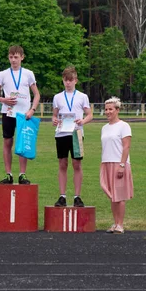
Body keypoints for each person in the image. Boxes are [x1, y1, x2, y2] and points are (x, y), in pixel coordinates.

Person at [0, 45, 41, 185]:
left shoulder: (28, 74)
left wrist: (32, 110)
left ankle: (22, 175)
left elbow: (37, 94)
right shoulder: (3, 74)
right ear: (8, 58)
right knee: (8, 142)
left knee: (23, 143)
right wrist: (4, 100)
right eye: (11, 57)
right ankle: (8, 174)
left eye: (16, 57)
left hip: (24, 114)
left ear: (22, 57)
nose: (13, 60)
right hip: (8, 113)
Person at [52, 66, 93, 207]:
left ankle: (77, 196)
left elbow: (90, 114)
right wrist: (54, 120)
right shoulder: (57, 97)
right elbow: (54, 115)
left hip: (77, 134)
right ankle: (62, 196)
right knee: (62, 164)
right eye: (65, 80)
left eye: (70, 80)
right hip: (61, 133)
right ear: (63, 81)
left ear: (76, 80)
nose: (68, 83)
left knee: (77, 164)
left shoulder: (82, 97)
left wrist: (83, 121)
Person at [100, 96, 133, 234]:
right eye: (106, 109)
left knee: (120, 195)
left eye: (111, 109)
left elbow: (126, 147)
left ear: (117, 110)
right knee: (112, 195)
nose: (108, 112)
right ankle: (115, 222)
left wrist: (122, 165)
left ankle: (120, 224)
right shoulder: (104, 128)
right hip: (107, 162)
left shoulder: (124, 126)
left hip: (119, 163)